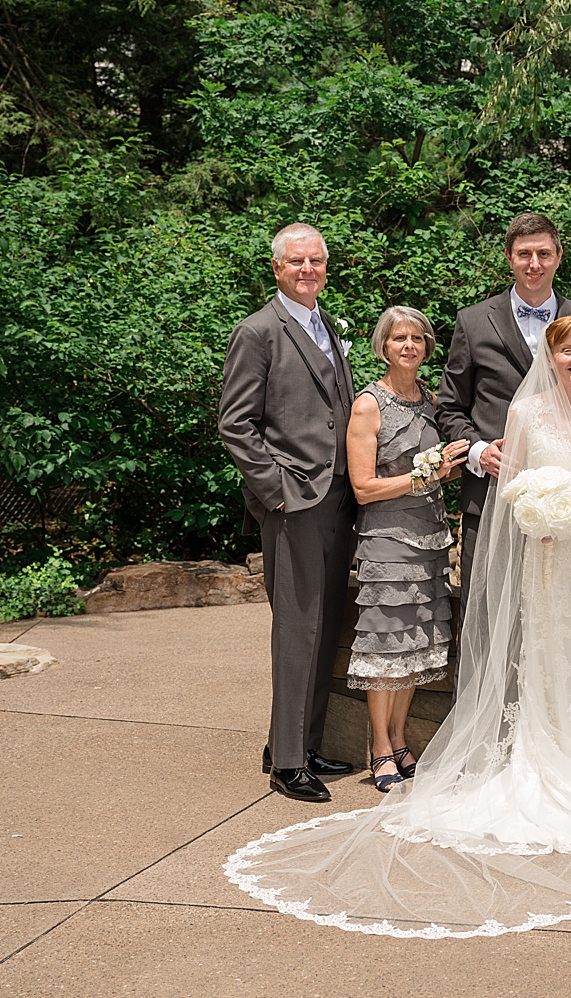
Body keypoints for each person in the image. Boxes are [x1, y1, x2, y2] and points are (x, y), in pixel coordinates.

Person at [226, 315, 571, 938]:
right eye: (568, 350)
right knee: (547, 657)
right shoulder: (524, 417)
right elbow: (512, 485)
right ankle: (541, 766)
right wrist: (535, 518)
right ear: (551, 357)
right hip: (550, 554)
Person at [219, 222, 358, 804]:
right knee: (297, 630)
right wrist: (275, 490)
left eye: (316, 261)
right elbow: (235, 423)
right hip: (294, 501)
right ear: (277, 268)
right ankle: (289, 765)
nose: (307, 270)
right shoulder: (258, 332)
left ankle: (296, 743)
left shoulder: (327, 324)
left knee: (325, 628)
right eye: (296, 262)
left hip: (340, 499)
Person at [436, 213, 571, 609]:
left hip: (566, 502)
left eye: (544, 254)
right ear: (509, 257)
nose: (535, 264)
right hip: (491, 494)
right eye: (524, 254)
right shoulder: (473, 322)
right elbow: (450, 407)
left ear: (559, 257)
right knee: (486, 614)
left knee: (556, 615)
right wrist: (477, 452)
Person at [345, 307, 470, 792]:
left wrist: (462, 461)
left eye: (417, 338)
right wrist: (425, 475)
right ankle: (378, 747)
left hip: (431, 540)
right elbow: (363, 487)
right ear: (384, 345)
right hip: (387, 542)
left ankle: (399, 739)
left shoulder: (431, 402)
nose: (409, 345)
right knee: (385, 643)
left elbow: (443, 472)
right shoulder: (368, 405)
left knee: (416, 644)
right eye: (399, 338)